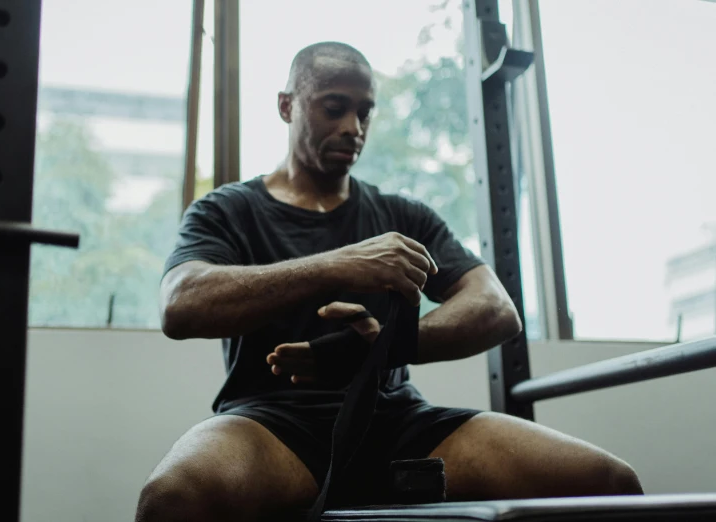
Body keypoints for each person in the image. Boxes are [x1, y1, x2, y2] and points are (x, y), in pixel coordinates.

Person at [135, 41, 643, 522]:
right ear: (287, 106)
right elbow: (181, 304)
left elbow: (494, 307)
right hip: (273, 423)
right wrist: (336, 265)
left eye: (365, 111)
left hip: (398, 420)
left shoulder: (401, 214)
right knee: (174, 498)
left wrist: (385, 347)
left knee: (609, 483)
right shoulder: (227, 210)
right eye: (334, 107)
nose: (353, 126)